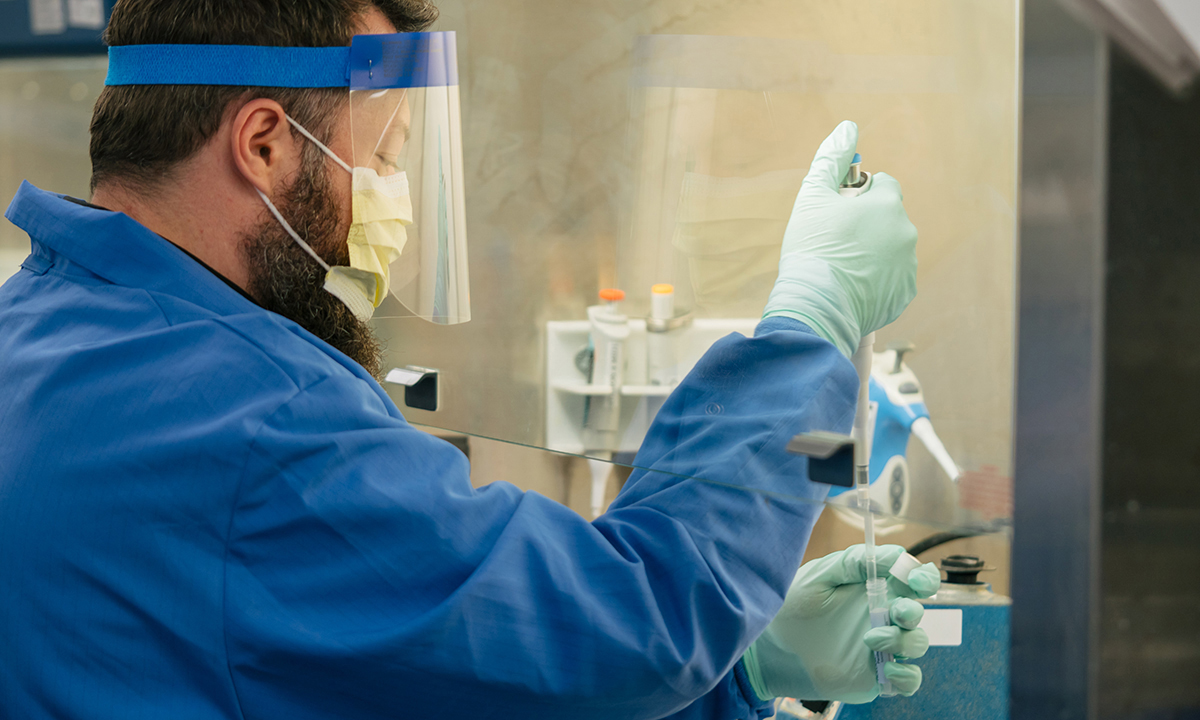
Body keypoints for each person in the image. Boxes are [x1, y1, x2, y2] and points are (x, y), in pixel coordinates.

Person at [0, 1, 932, 718]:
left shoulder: (37, 339)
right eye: (386, 154)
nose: (395, 202)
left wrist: (747, 663)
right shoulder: (252, 421)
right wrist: (812, 320)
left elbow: (388, 676)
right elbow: (630, 625)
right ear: (265, 144)